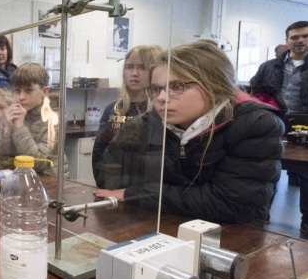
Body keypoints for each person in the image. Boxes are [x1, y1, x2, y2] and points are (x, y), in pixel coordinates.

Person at [94, 40, 284, 226]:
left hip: (229, 238)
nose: (161, 98)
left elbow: (229, 204)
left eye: (177, 87)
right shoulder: (145, 124)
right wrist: (192, 194)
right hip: (157, 225)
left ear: (214, 86)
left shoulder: (255, 124)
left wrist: (137, 193)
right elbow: (108, 178)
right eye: (156, 89)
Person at [250, 21, 308, 242]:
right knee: (265, 170)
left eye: (305, 36)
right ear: (287, 40)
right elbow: (255, 94)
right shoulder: (269, 67)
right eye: (294, 37)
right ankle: (261, 213)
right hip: (272, 124)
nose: (299, 41)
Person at [92, 45, 164, 178]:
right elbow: (99, 151)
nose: (134, 73)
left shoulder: (160, 110)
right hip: (112, 183)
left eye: (142, 67)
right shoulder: (113, 109)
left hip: (145, 188)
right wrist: (103, 180)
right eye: (129, 67)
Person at [0, 63, 68, 176]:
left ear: (44, 92)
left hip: (49, 183)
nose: (21, 97)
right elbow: (0, 161)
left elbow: (38, 164)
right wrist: (7, 130)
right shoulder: (11, 114)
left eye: (28, 90)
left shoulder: (55, 119)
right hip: (19, 180)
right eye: (17, 90)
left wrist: (19, 126)